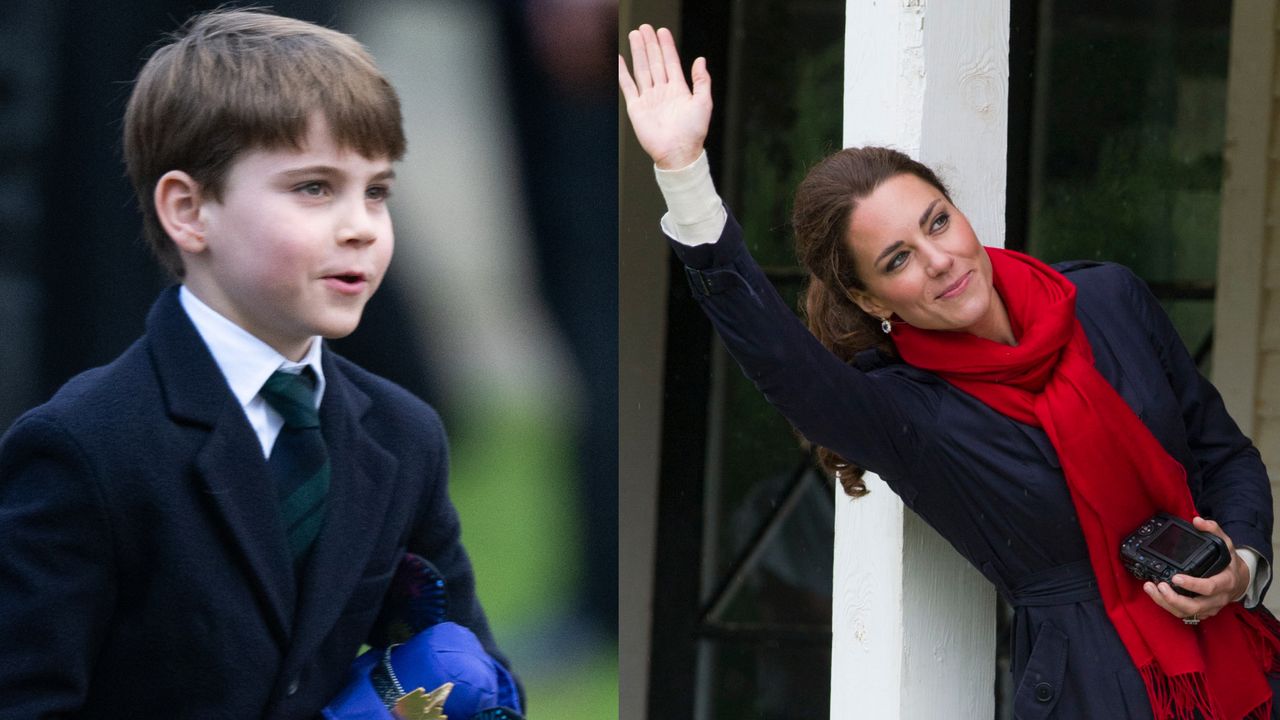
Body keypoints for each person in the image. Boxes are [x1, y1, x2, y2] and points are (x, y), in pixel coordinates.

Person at [620, 23, 1280, 719]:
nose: (938, 259)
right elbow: (781, 362)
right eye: (897, 259)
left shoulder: (1108, 299)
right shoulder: (909, 413)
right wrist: (685, 177)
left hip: (1244, 662)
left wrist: (1239, 567)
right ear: (873, 300)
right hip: (1093, 690)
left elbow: (1222, 453)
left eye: (937, 222)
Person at [0, 9, 512, 717]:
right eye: (314, 188)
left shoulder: (402, 435)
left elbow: (472, 671)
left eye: (377, 191)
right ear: (189, 211)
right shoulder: (88, 446)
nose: (360, 225)